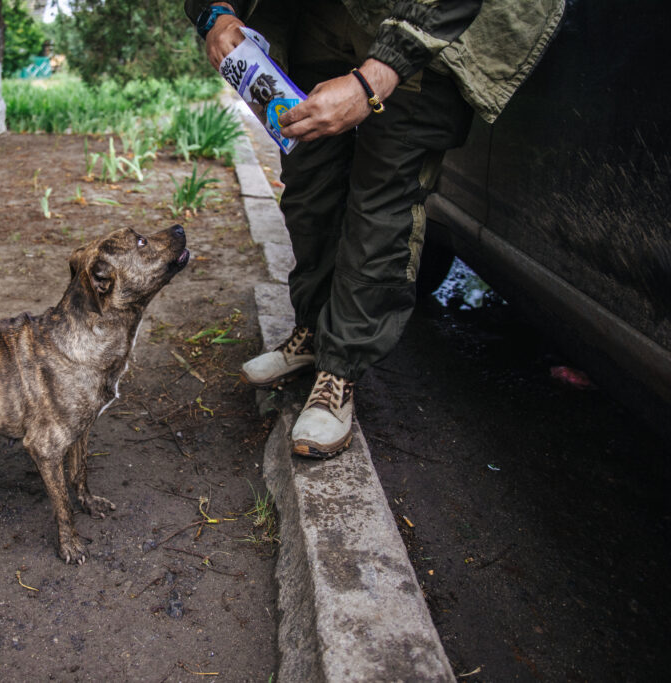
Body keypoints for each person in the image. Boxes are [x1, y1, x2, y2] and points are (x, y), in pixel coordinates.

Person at [185, 0, 564, 458]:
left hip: (423, 27)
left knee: (381, 203)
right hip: (317, 19)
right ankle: (314, 331)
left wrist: (375, 78)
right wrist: (215, 13)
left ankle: (339, 369)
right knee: (309, 190)